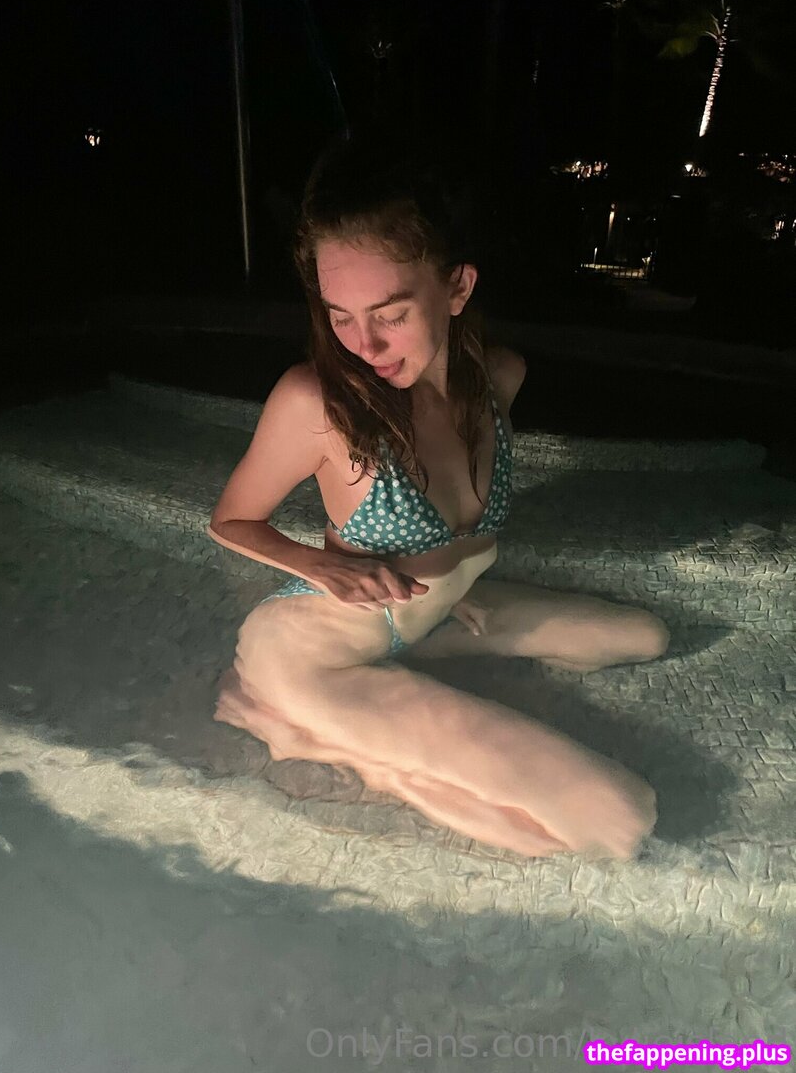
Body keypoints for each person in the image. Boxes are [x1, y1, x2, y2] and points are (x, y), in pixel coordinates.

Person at [207, 130, 669, 860]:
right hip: (318, 651)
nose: (363, 345)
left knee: (642, 637)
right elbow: (231, 520)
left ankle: (387, 693)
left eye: (389, 313)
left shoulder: (500, 380)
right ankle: (303, 718)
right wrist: (325, 567)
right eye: (339, 315)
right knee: (618, 815)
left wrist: (452, 591)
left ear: (457, 288)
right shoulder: (315, 405)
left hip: (436, 615)